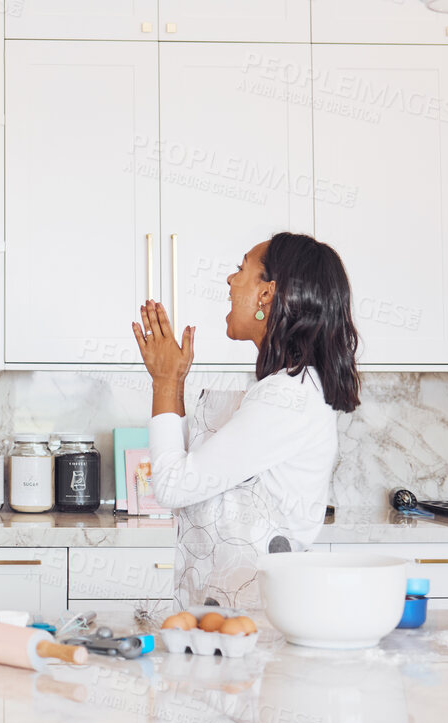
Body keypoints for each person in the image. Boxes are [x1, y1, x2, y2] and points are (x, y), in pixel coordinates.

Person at [130, 232, 361, 611]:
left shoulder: (285, 397)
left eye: (242, 269)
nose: (230, 280)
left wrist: (165, 382)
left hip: (257, 622)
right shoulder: (284, 388)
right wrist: (173, 384)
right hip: (234, 615)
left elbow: (173, 486)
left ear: (267, 294)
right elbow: (199, 479)